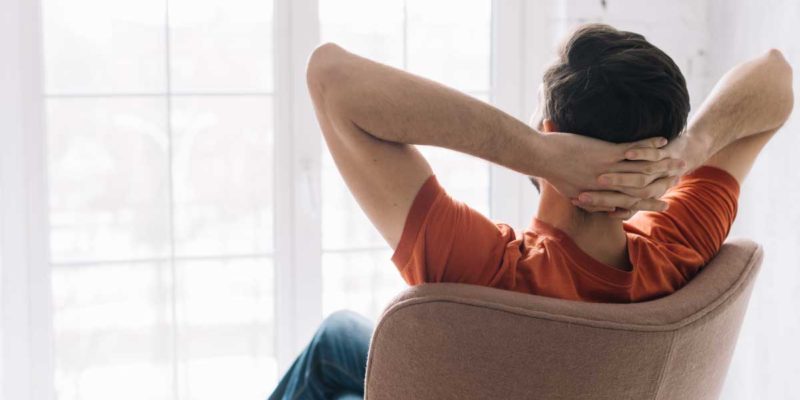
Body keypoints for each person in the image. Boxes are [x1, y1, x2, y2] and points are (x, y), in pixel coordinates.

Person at [269, 24, 794, 399]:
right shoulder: (679, 246)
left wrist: (536, 154)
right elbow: (777, 76)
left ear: (548, 132)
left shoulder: (485, 273)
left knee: (335, 337)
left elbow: (330, 75)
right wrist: (692, 149)